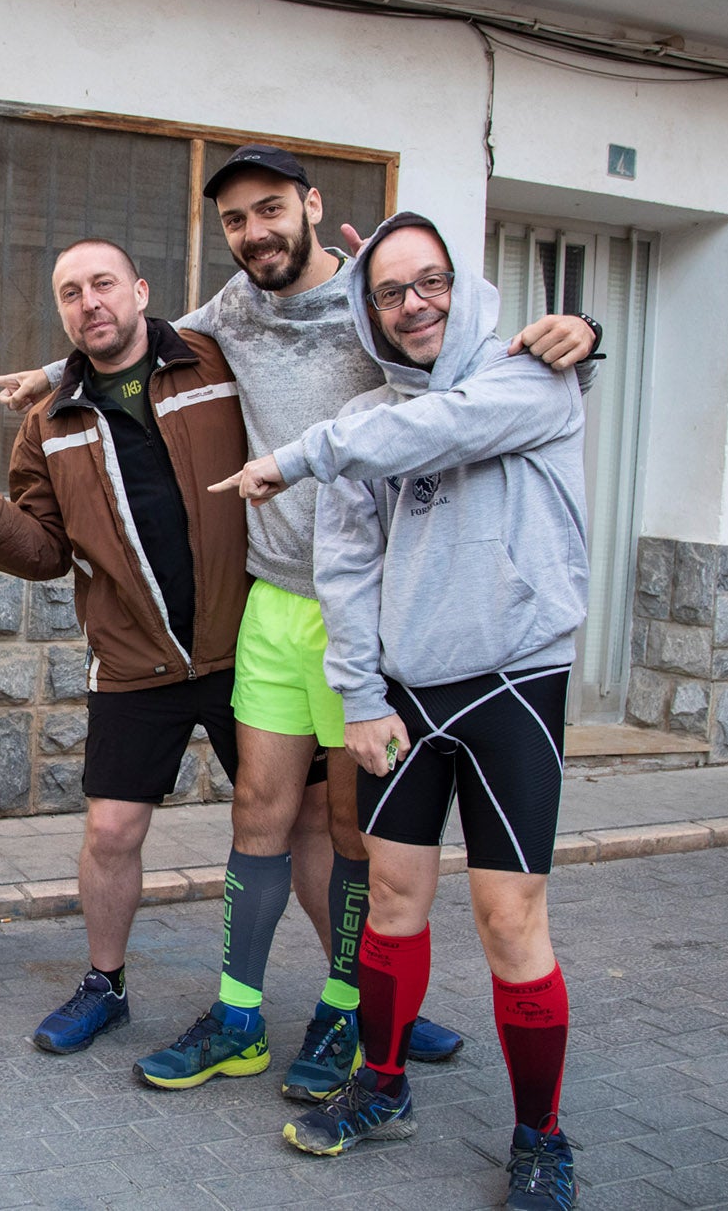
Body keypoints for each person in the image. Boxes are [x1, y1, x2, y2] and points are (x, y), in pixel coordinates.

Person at [0, 147, 597, 1099]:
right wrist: (54, 367)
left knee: (357, 833)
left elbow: (470, 362)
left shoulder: (380, 301)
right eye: (236, 222)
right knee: (262, 813)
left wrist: (573, 328)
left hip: (375, 609)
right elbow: (143, 331)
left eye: (270, 210)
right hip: (274, 597)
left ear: (312, 205)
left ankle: (356, 1005)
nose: (255, 233)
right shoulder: (232, 309)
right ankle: (245, 1015)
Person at [247, 213, 585, 1211]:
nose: (413, 304)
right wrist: (355, 694)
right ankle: (381, 1088)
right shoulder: (368, 422)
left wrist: (308, 448)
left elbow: (442, 427)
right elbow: (343, 564)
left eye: (428, 281)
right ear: (370, 310)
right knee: (388, 903)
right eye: (390, 292)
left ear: (458, 283)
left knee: (506, 917)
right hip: (402, 695)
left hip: (514, 680)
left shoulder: (530, 376)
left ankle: (539, 1138)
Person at [0, 239, 261, 1073]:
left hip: (244, 644)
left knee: (300, 827)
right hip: (132, 660)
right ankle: (106, 986)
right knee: (111, 830)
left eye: (103, 283)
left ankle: (365, 993)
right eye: (71, 293)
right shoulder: (50, 420)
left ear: (141, 290)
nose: (89, 302)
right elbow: (41, 548)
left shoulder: (215, 362)